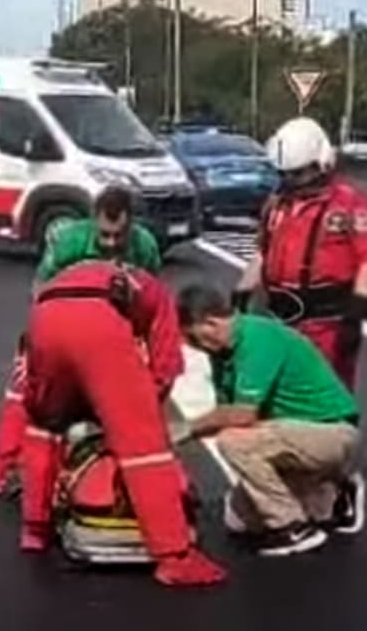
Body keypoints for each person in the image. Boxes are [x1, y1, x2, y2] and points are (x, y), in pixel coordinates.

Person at [19, 260, 224, 587]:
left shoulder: (85, 270)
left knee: (44, 423)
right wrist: (139, 408)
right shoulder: (158, 297)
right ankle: (174, 557)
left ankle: (35, 527)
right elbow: (165, 367)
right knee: (144, 446)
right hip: (98, 321)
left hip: (44, 317)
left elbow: (34, 397)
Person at [0, 186, 161, 495]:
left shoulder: (144, 245)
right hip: (61, 324)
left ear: (131, 225)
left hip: (111, 331)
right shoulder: (70, 241)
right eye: (105, 235)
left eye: (119, 236)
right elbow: (40, 290)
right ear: (93, 222)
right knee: (24, 391)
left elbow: (151, 297)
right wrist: (35, 342)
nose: (111, 243)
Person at [177, 283, 362, 555]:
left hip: (329, 431)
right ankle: (330, 490)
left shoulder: (257, 339)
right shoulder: (222, 353)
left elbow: (241, 414)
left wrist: (183, 431)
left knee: (235, 442)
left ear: (211, 323)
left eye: (194, 338)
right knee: (240, 521)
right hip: (289, 433)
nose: (195, 347)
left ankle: (293, 527)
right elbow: (224, 413)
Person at [233, 117, 367, 390]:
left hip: (327, 323)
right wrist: (241, 293)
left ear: (321, 163)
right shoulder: (276, 205)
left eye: (297, 174)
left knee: (325, 392)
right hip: (279, 319)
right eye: (284, 175)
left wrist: (357, 311)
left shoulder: (347, 204)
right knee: (282, 392)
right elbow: (263, 252)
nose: (290, 181)